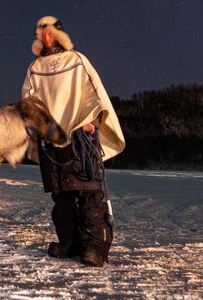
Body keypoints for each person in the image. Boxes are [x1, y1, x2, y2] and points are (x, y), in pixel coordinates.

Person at [22, 15, 125, 267]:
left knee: (89, 192)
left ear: (59, 35)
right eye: (42, 34)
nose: (47, 38)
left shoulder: (77, 60)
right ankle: (69, 244)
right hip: (51, 140)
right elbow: (29, 100)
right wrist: (37, 127)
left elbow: (93, 93)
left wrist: (91, 119)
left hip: (79, 136)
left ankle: (95, 249)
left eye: (50, 33)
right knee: (61, 195)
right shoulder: (34, 68)